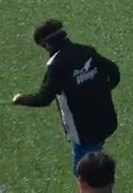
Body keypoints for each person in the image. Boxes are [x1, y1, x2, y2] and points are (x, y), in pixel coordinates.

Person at [11, 20, 121, 178]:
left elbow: (44, 98)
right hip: (106, 119)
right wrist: (100, 90)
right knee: (96, 164)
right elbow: (114, 73)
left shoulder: (57, 65)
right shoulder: (86, 52)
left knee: (86, 174)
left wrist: (21, 99)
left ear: (47, 44)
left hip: (83, 129)